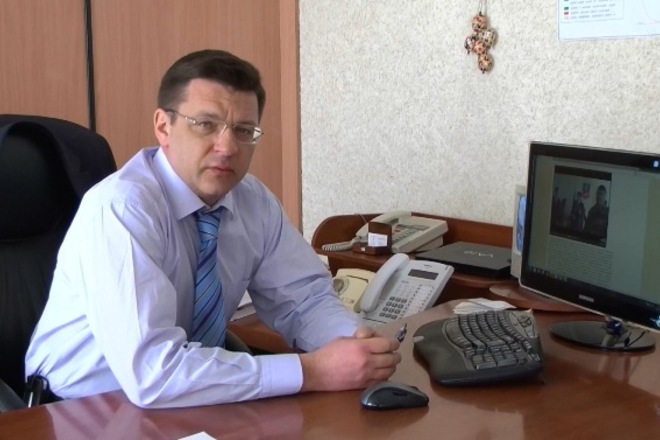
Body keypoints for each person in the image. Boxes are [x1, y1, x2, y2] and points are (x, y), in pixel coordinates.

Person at [25, 49, 401, 408]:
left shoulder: (253, 201)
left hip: (195, 397)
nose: (227, 147)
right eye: (206, 124)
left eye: (244, 130)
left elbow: (305, 299)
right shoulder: (122, 209)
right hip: (78, 411)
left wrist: (354, 342)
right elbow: (153, 372)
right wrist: (313, 371)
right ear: (164, 127)